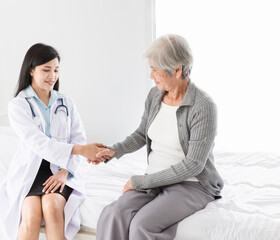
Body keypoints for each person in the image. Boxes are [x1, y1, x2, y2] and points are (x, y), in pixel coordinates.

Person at [92, 34, 224, 240]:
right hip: (154, 179)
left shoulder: (204, 106)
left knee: (142, 225)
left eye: (155, 70)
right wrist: (114, 151)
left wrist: (141, 182)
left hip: (191, 184)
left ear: (177, 70)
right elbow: (141, 134)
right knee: (112, 214)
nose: (151, 76)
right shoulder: (155, 95)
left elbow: (194, 165)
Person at [0, 43, 105, 240]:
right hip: (30, 173)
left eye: (56, 70)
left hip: (62, 168)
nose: (53, 76)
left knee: (52, 207)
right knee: (31, 216)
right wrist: (83, 150)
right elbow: (39, 144)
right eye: (46, 70)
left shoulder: (66, 102)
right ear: (31, 70)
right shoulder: (18, 105)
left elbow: (78, 137)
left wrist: (65, 173)